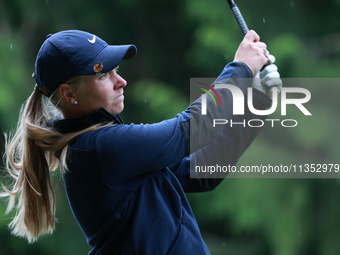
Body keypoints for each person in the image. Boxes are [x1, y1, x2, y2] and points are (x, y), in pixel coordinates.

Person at [1, 29, 281, 254]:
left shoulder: (102, 149)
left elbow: (204, 172)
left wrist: (258, 100)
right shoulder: (99, 149)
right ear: (69, 94)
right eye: (103, 74)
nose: (120, 81)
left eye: (116, 70)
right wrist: (241, 67)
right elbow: (192, 128)